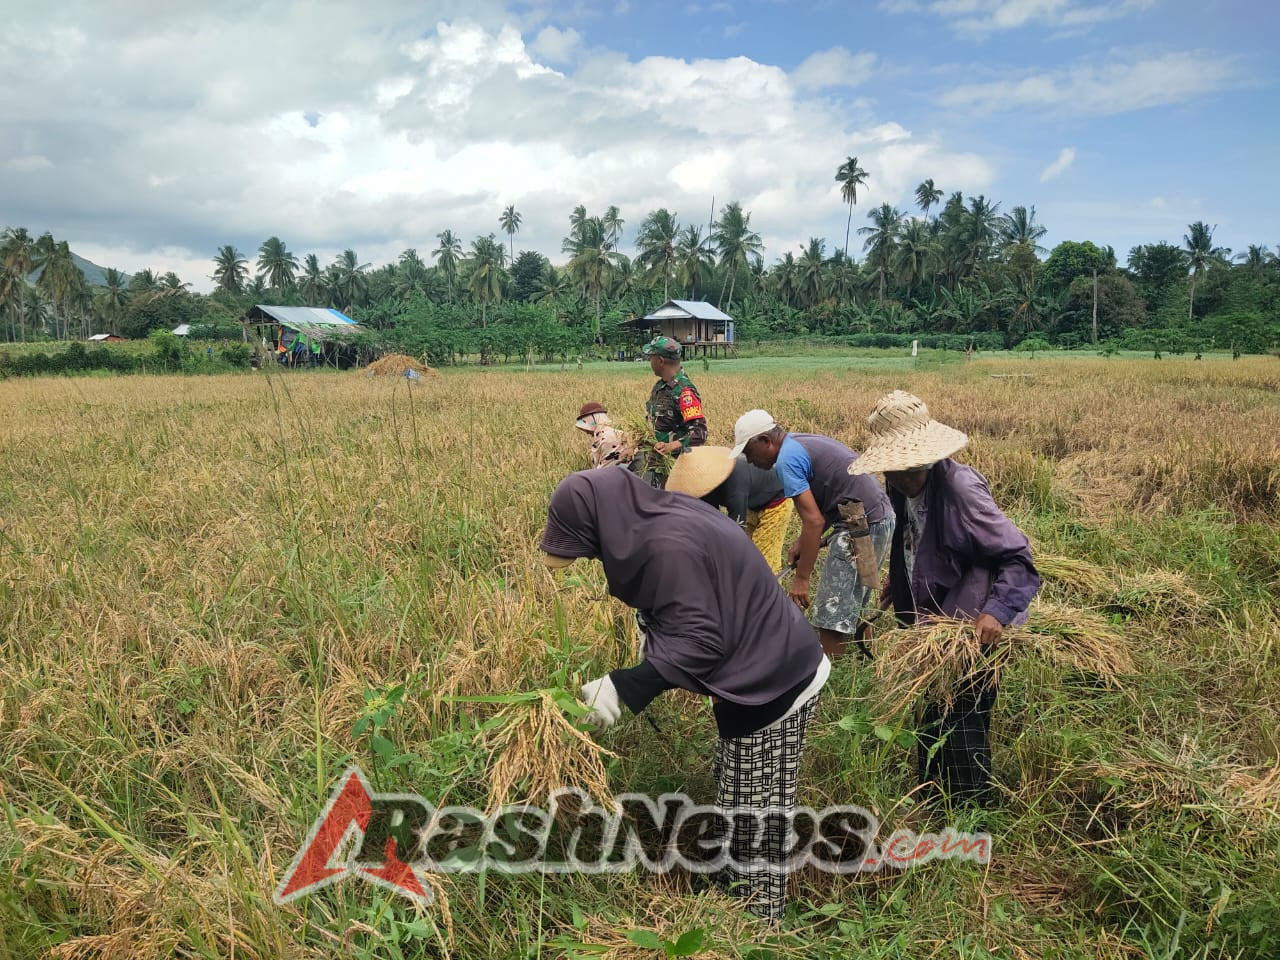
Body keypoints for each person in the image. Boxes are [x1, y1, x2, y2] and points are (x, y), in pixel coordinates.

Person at [541, 469, 829, 922]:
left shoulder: (665, 545)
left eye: (592, 548)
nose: (596, 559)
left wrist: (623, 687)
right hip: (763, 665)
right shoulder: (661, 516)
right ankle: (742, 893)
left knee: (756, 808)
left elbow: (701, 642)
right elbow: (694, 603)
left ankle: (761, 922)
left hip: (774, 680)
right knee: (743, 794)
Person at [849, 391, 1040, 806]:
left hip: (968, 625)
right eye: (890, 467)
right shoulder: (901, 484)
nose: (894, 476)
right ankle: (935, 798)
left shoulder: (959, 489)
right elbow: (915, 542)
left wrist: (996, 612)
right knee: (930, 713)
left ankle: (974, 811)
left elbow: (1018, 559)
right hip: (928, 621)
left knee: (964, 714)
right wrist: (898, 584)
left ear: (922, 457)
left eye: (901, 466)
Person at [731, 410, 893, 662]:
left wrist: (802, 579)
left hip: (859, 524)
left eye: (749, 452)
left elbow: (813, 520)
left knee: (833, 608)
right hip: (875, 517)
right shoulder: (799, 443)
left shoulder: (786, 461)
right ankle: (865, 663)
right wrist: (803, 544)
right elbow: (832, 499)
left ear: (765, 441)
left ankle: (830, 677)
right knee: (859, 595)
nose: (749, 461)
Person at [664, 445, 794, 574]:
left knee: (761, 561)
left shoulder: (735, 486)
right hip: (752, 501)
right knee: (747, 554)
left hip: (776, 502)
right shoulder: (705, 483)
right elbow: (709, 519)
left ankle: (770, 592)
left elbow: (736, 533)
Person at [640, 336, 707, 486]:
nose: (649, 362)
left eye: (651, 358)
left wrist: (671, 446)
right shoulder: (659, 387)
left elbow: (700, 432)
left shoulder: (684, 391)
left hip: (677, 471)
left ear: (661, 361)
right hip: (658, 468)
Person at [574, 402, 633, 470]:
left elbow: (606, 467)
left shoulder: (607, 437)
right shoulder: (609, 434)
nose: (587, 432)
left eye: (587, 427)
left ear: (593, 421)